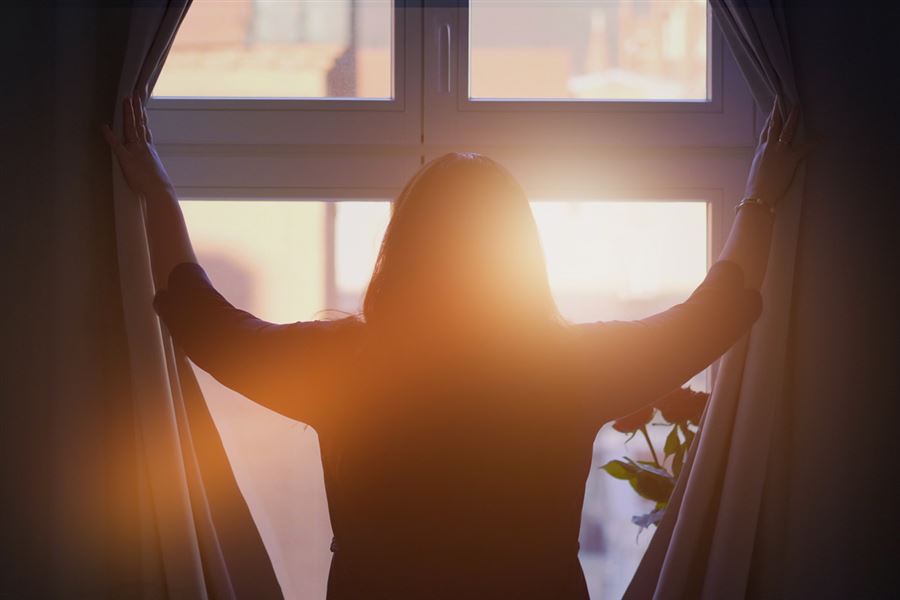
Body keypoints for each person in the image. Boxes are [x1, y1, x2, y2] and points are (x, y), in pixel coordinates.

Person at [103, 96, 805, 600]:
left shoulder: (347, 367)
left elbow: (203, 321)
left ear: (403, 250)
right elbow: (714, 314)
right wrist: (761, 198)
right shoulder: (563, 370)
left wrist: (158, 194)